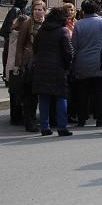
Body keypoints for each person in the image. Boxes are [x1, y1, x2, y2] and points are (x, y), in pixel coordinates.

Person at [31, 7, 74, 136]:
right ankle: (62, 127)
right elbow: (68, 52)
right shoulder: (63, 31)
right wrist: (67, 66)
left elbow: (35, 48)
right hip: (58, 69)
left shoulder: (41, 31)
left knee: (44, 98)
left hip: (41, 68)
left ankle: (45, 127)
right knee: (61, 97)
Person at [72, 0, 102, 127]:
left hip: (82, 62)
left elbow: (74, 45)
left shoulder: (78, 24)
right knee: (99, 92)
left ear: (83, 10)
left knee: (82, 92)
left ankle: (82, 119)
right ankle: (100, 119)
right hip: (99, 62)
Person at [15, 0, 46, 132]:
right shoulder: (27, 24)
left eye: (40, 9)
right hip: (29, 63)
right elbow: (20, 45)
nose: (37, 12)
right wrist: (18, 64)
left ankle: (43, 121)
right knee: (30, 96)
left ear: (44, 11)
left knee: (43, 94)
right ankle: (30, 121)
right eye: (35, 9)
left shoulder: (47, 24)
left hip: (44, 63)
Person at [6, 15, 29, 125]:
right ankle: (18, 116)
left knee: (13, 92)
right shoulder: (21, 36)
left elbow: (5, 53)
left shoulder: (11, 35)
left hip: (10, 66)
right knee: (20, 92)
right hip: (17, 66)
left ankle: (14, 116)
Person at [1, 0, 28, 83]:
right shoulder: (17, 10)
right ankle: (8, 76)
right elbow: (15, 24)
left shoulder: (14, 9)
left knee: (8, 55)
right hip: (11, 36)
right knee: (10, 56)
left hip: (9, 35)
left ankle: (6, 75)